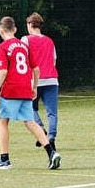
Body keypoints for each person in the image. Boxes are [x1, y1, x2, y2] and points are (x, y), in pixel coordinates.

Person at [0, 16, 61, 170]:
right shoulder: (24, 46)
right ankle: (51, 152)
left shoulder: (2, 47)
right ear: (14, 29)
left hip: (11, 89)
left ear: (1, 30)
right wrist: (34, 87)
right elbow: (36, 69)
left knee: (2, 121)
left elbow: (3, 71)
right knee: (30, 122)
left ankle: (4, 159)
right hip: (25, 89)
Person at [23, 13, 60, 150]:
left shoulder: (26, 40)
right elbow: (54, 61)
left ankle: (40, 129)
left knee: (29, 108)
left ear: (30, 25)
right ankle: (51, 137)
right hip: (52, 80)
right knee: (52, 112)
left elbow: (23, 59)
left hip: (35, 80)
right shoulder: (49, 41)